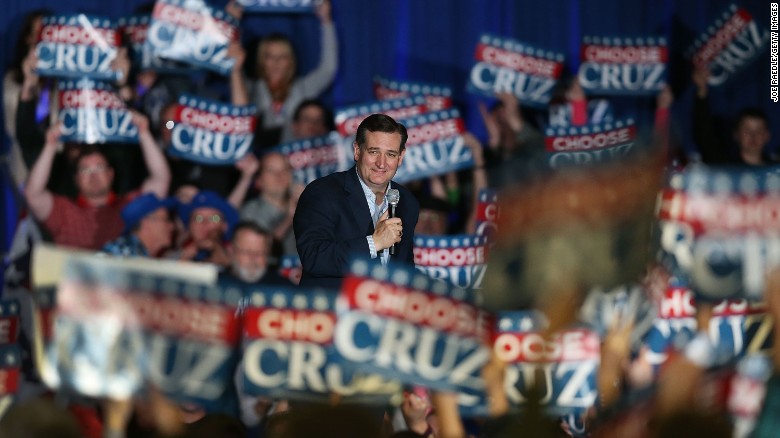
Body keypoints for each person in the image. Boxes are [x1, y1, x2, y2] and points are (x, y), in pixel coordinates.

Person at [293, 114, 419, 289]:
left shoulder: (407, 201)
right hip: (332, 312)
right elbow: (314, 257)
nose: (381, 164)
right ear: (357, 150)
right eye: (373, 152)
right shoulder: (322, 192)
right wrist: (374, 243)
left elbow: (404, 267)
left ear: (401, 157)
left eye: (390, 154)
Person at [24, 112, 170, 250]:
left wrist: (144, 133)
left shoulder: (129, 206)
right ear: (76, 179)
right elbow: (33, 194)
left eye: (99, 168)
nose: (93, 176)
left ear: (111, 174)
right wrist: (50, 144)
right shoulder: (63, 212)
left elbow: (160, 179)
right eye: (85, 170)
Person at [230, 0, 338, 147]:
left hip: (298, 165)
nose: (275, 62)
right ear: (262, 60)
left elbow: (328, 69)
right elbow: (233, 63)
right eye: (269, 56)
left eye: (282, 57)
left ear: (290, 62)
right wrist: (231, 22)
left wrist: (326, 21)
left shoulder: (303, 89)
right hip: (261, 165)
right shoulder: (249, 88)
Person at [692, 65, 773, 165]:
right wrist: (701, 90)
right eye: (747, 130)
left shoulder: (776, 171)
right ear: (736, 135)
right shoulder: (725, 166)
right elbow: (703, 134)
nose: (753, 136)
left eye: (759, 130)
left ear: (767, 136)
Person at [240, 152, 302, 260]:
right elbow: (260, 251)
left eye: (285, 169)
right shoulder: (250, 211)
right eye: (271, 171)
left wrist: (313, 203)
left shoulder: (302, 203)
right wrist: (289, 219)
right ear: (258, 181)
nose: (279, 175)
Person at [174, 190, 239, 267]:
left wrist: (222, 257)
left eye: (214, 218)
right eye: (198, 218)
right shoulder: (172, 258)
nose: (205, 223)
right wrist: (182, 263)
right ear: (190, 226)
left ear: (225, 226)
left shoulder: (238, 257)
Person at [102, 193, 175, 257]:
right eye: (166, 219)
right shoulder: (121, 252)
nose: (172, 226)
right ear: (146, 223)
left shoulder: (135, 254)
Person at [220, 221, 292, 285]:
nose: (253, 258)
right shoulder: (215, 286)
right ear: (231, 251)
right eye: (247, 252)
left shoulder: (283, 289)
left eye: (260, 253)